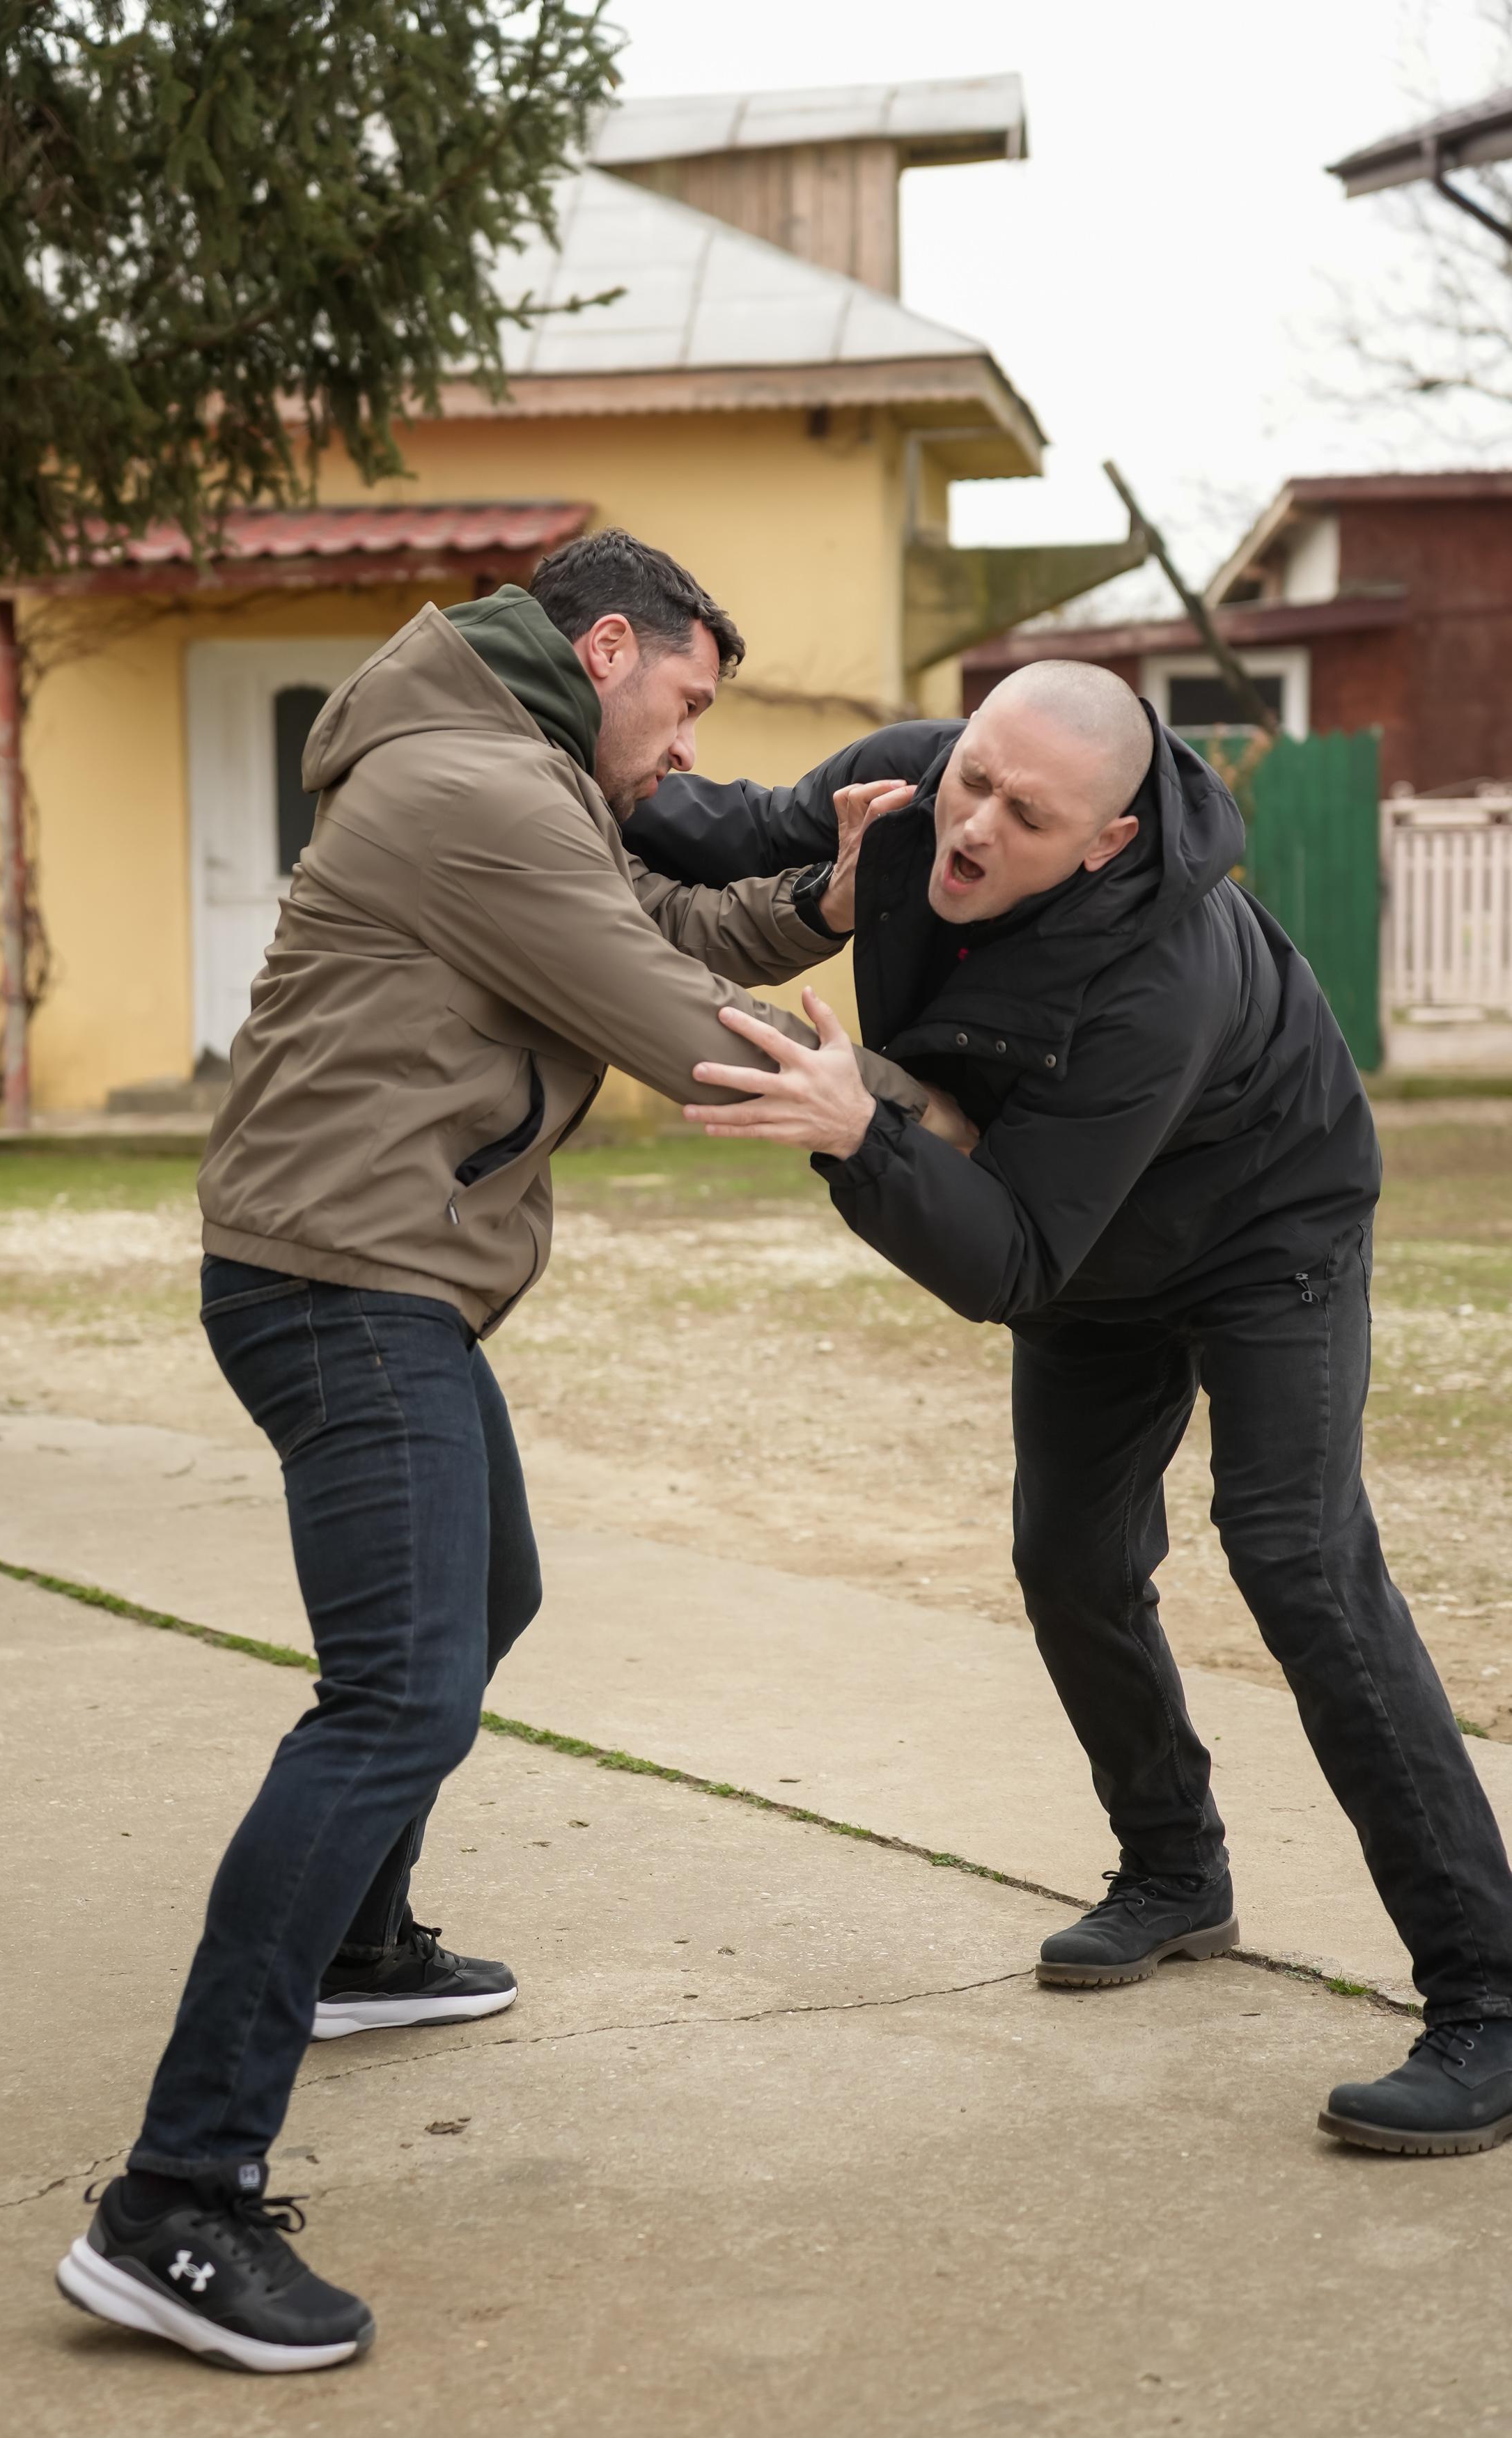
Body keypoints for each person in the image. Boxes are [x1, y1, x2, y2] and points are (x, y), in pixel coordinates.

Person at [54, 531, 963, 2374]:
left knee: (487, 1597)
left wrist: (829, 893)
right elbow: (668, 1017)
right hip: (342, 1278)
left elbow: (656, 930)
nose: (685, 754)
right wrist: (912, 1119)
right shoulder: (477, 786)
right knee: (398, 1694)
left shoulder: (507, 764)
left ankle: (358, 1946)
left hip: (358, 1265)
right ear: (605, 647)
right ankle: (174, 2201)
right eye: (683, 706)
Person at [623, 659, 1512, 2161]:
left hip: (1261, 1231)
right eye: (971, 778)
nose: (971, 824)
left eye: (1023, 815)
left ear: (1105, 840)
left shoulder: (1163, 973)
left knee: (1296, 1559)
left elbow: (1011, 1260)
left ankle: (1487, 1988)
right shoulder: (910, 788)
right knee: (1069, 1558)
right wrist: (565, 777)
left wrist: (860, 1132)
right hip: (1080, 1228)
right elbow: (723, 824)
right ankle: (1175, 1871)